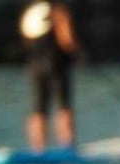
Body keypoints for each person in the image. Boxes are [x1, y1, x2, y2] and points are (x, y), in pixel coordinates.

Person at [20, 2, 80, 152]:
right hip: (56, 64)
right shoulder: (58, 10)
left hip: (35, 66)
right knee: (64, 106)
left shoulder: (32, 12)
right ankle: (67, 147)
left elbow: (26, 40)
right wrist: (77, 53)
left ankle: (37, 149)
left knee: (38, 108)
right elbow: (66, 39)